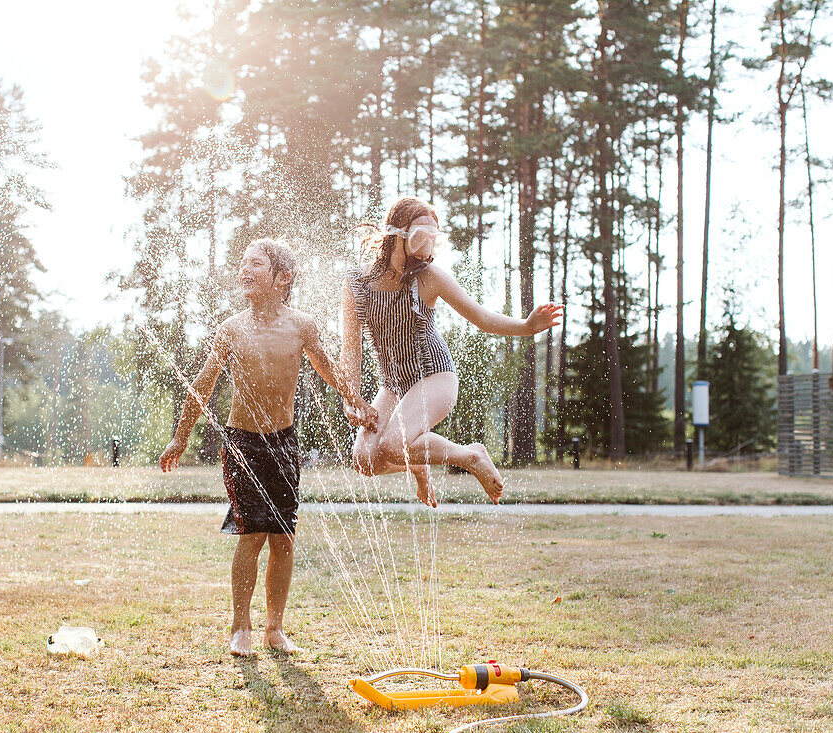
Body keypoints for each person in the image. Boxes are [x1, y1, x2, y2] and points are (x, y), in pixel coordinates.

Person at [159, 238, 378, 657]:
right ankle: (240, 627)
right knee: (253, 534)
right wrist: (181, 435)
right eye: (242, 263)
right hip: (243, 443)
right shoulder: (232, 328)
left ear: (282, 278)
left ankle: (274, 629)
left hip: (283, 442)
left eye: (255, 264)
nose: (244, 270)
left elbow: (328, 368)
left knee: (283, 538)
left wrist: (358, 401)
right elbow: (202, 386)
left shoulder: (301, 326)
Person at [341, 196, 563, 507]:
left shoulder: (429, 277)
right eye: (421, 235)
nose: (427, 245)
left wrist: (527, 326)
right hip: (393, 384)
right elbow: (351, 349)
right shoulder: (357, 283)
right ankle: (420, 467)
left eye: (434, 238)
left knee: (393, 444)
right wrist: (351, 397)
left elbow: (483, 318)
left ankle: (470, 456)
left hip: (434, 375)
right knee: (365, 459)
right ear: (397, 234)